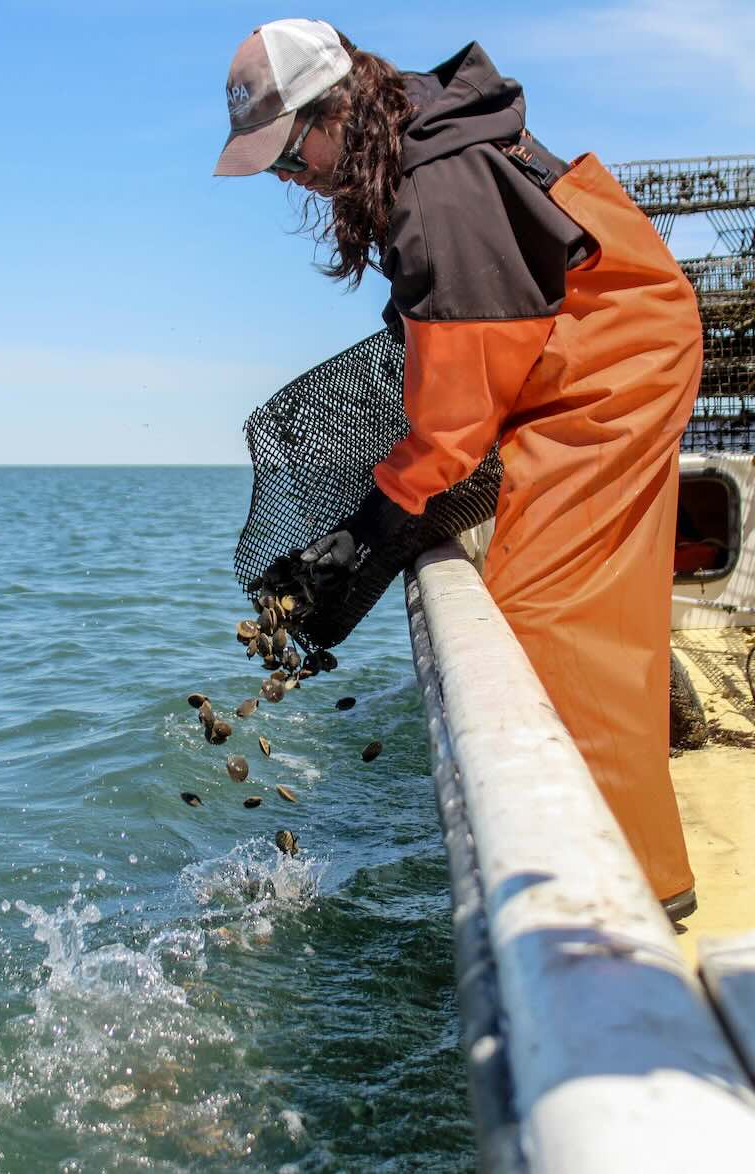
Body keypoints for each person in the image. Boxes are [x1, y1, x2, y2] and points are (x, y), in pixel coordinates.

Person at [213, 19, 703, 919]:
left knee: (547, 621)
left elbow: (452, 429)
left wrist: (364, 532)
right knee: (563, 602)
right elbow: (461, 372)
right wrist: (372, 521)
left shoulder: (434, 193)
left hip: (612, 365)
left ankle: (627, 896)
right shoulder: (413, 143)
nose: (289, 178)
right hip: (566, 357)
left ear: (337, 110)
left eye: (288, 154)